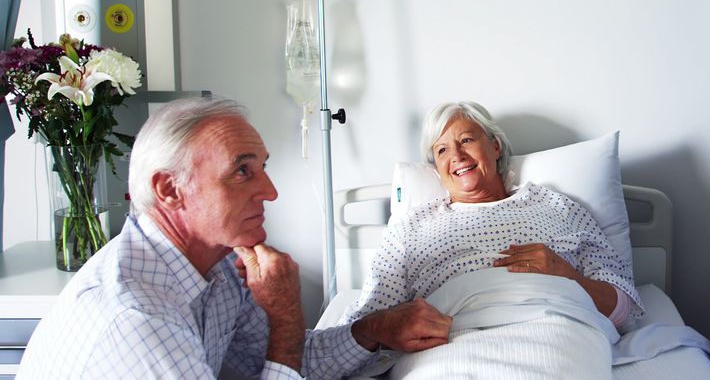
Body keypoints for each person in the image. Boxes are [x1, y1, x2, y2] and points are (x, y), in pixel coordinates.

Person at [16, 98, 426, 379]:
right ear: (169, 190)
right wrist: (283, 318)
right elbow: (283, 353)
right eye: (242, 171)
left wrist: (375, 329)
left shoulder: (221, 269)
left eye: (263, 168)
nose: (270, 191)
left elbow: (285, 363)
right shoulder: (138, 317)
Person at [337, 101, 643, 375]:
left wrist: (568, 274)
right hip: (444, 343)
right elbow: (370, 323)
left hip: (555, 331)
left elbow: (622, 313)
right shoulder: (411, 227)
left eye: (466, 140)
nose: (456, 156)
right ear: (436, 167)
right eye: (441, 150)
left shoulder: (558, 207)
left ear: (495, 146)